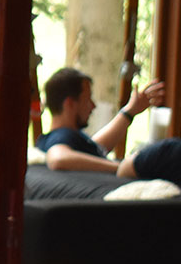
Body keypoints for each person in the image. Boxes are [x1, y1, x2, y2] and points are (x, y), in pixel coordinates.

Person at [38, 67, 180, 182]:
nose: (93, 106)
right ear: (69, 103)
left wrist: (130, 112)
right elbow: (58, 158)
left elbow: (96, 147)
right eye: (88, 99)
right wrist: (122, 167)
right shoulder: (60, 136)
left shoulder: (68, 139)